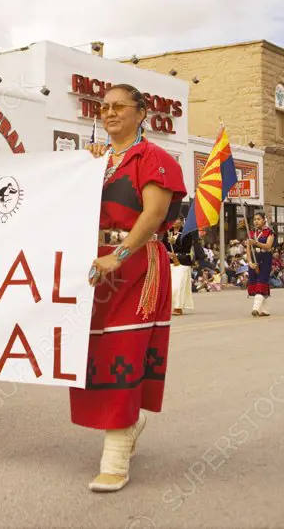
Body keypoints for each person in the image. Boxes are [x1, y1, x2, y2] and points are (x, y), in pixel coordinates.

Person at [72, 83, 186, 493]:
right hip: (93, 267)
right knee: (92, 353)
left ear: (142, 113)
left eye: (120, 106)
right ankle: (126, 425)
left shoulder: (153, 158)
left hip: (134, 265)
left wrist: (117, 257)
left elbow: (153, 216)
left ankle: (115, 459)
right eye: (104, 107)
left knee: (121, 352)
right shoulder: (95, 160)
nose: (109, 113)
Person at [246, 212, 275, 316]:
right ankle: (265, 310)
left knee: (261, 282)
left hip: (265, 259)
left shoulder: (269, 232)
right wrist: (250, 262)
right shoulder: (251, 233)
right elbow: (248, 249)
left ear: (264, 220)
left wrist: (256, 243)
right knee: (256, 284)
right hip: (254, 260)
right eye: (254, 219)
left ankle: (256, 309)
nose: (256, 221)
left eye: (258, 219)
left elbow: (268, 246)